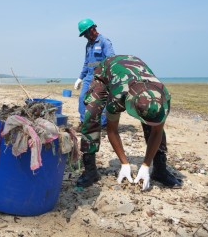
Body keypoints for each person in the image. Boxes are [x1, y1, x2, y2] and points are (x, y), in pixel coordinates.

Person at [77, 55, 182, 190]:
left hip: (137, 70)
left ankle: (160, 169)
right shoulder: (118, 97)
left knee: (153, 122)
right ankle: (90, 170)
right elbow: (112, 130)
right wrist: (124, 164)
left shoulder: (163, 98)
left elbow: (157, 131)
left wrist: (145, 166)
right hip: (106, 71)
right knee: (91, 115)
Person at [74, 18, 115, 130]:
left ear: (92, 29)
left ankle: (102, 124)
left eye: (85, 34)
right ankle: (84, 122)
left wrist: (106, 77)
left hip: (101, 77)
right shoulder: (88, 45)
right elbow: (87, 63)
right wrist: (80, 78)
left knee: (101, 101)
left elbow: (111, 60)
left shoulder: (104, 41)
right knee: (83, 98)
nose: (85, 37)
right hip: (89, 76)